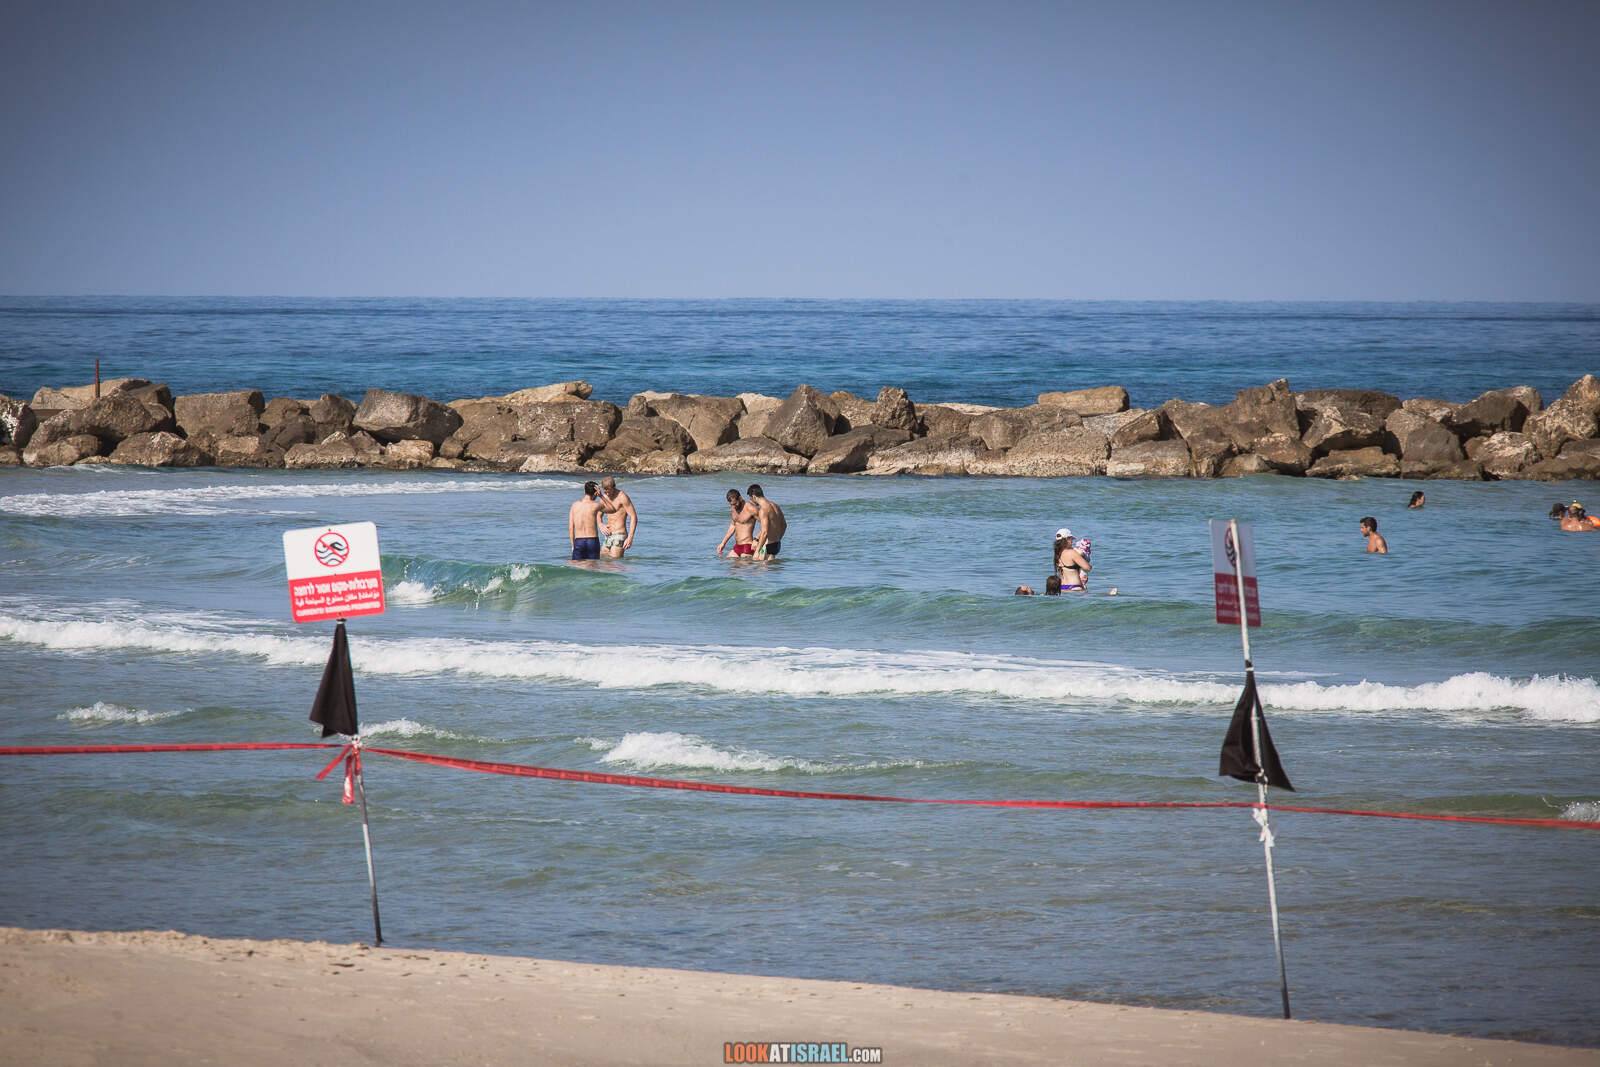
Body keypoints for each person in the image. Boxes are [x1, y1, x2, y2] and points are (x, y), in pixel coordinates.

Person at [568, 481, 618, 561]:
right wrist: (601, 496)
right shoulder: (596, 505)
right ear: (596, 493)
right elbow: (612, 509)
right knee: (593, 568)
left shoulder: (575, 505)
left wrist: (573, 545)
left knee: (576, 567)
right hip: (592, 541)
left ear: (585, 491)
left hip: (579, 541)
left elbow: (571, 528)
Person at [598, 476, 639, 559]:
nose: (608, 494)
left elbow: (633, 516)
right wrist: (600, 524)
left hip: (620, 534)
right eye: (605, 492)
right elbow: (598, 514)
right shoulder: (604, 497)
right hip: (608, 536)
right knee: (602, 560)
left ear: (614, 487)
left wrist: (630, 537)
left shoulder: (622, 497)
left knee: (615, 563)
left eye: (609, 491)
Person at [716, 488, 760, 557]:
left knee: (743, 565)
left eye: (735, 504)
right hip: (737, 546)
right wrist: (723, 543)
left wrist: (757, 539)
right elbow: (733, 525)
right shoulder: (734, 508)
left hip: (747, 546)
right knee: (724, 563)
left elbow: (765, 525)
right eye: (731, 504)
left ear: (740, 498)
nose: (733, 506)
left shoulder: (751, 508)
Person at [747, 484, 787, 559]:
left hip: (766, 547)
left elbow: (764, 532)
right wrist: (778, 538)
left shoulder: (763, 510)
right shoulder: (775, 505)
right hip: (776, 544)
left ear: (754, 497)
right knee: (771, 569)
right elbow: (784, 525)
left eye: (751, 499)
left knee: (760, 567)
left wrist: (757, 551)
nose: (752, 502)